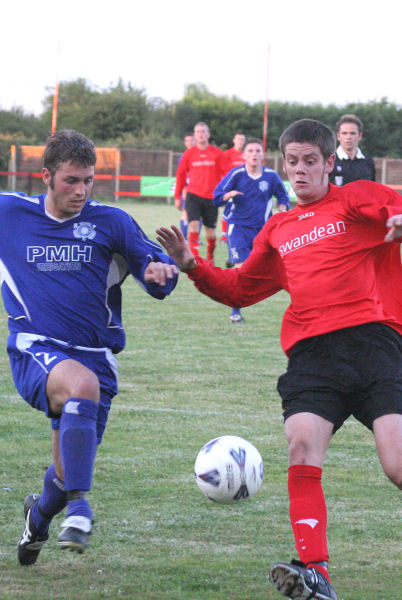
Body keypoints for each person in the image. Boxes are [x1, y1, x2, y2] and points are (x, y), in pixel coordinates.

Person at [156, 118, 402, 600]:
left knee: (396, 464)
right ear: (283, 165)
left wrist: (398, 220)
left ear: (330, 163)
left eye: (311, 161)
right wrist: (192, 264)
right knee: (301, 446)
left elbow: (392, 205)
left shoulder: (355, 198)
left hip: (374, 345)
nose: (301, 171)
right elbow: (242, 288)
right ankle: (316, 574)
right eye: (293, 162)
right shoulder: (279, 228)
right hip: (312, 354)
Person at [3, 130, 178, 565]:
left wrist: (161, 273)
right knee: (79, 388)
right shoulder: (9, 214)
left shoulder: (111, 221)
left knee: (66, 469)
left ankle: (38, 518)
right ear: (46, 176)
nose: (81, 191)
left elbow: (154, 268)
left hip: (97, 359)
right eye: (71, 181)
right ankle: (81, 509)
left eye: (88, 180)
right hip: (34, 347)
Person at [213, 137, 289, 323]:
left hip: (263, 231)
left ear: (263, 155)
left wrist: (282, 209)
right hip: (238, 229)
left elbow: (283, 196)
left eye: (257, 151)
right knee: (242, 271)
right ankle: (235, 312)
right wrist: (228, 195)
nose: (254, 154)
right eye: (251, 151)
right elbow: (216, 197)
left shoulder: (271, 176)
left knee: (276, 268)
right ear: (244, 155)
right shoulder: (236, 174)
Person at [174, 122, 226, 265]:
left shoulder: (217, 153)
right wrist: (177, 196)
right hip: (193, 195)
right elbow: (181, 176)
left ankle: (210, 255)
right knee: (193, 225)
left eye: (203, 131)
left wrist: (225, 192)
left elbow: (227, 174)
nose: (201, 134)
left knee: (210, 233)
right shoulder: (188, 154)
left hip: (211, 197)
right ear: (194, 135)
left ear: (208, 134)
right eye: (198, 131)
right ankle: (194, 259)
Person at [329, 114, 376, 186]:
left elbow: (373, 191)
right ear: (338, 136)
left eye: (352, 133)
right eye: (344, 133)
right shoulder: (329, 161)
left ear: (360, 136)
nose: (348, 137)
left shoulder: (369, 162)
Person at [220, 133, 246, 248]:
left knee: (242, 210)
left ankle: (239, 233)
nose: (240, 141)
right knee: (229, 210)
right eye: (238, 139)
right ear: (234, 140)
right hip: (231, 187)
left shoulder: (247, 154)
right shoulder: (227, 154)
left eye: (242, 139)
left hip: (245, 188)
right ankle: (224, 236)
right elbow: (222, 171)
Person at [175, 133, 195, 240]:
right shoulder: (183, 158)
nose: (190, 143)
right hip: (188, 188)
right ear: (185, 143)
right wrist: (183, 189)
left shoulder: (199, 155)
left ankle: (195, 237)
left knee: (199, 214)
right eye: (188, 141)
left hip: (200, 188)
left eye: (192, 140)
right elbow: (181, 175)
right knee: (186, 211)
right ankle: (183, 236)